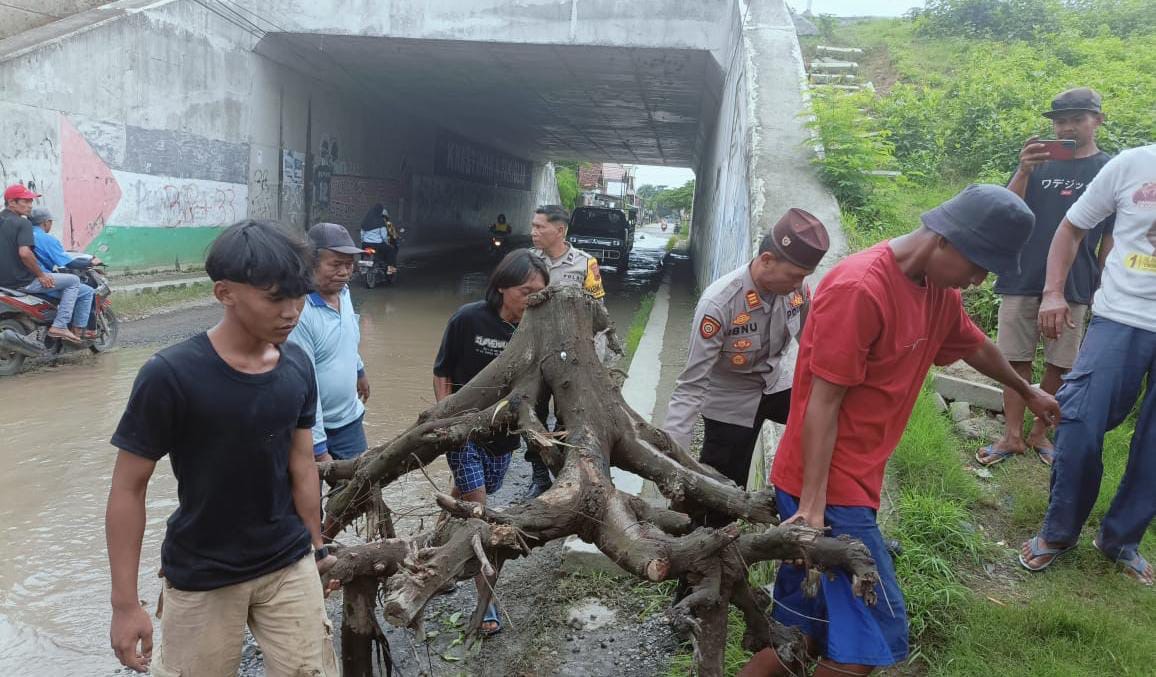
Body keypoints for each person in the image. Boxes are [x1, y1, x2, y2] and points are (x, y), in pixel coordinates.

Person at [742, 185, 1061, 677]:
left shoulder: (936, 289)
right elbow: (822, 404)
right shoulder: (860, 290)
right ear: (946, 241)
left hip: (852, 481)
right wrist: (811, 507)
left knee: (804, 634)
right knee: (869, 644)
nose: (977, 281)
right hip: (828, 487)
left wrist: (1029, 389)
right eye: (978, 267)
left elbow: (973, 344)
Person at [105, 220, 338, 675]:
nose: (293, 312)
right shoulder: (169, 375)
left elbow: (301, 464)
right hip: (202, 577)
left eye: (298, 296)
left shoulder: (296, 365)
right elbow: (127, 489)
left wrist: (317, 546)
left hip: (288, 563)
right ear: (224, 293)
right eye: (276, 298)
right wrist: (124, 604)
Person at [1020, 143, 1156, 586]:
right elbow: (1072, 227)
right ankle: (1059, 531)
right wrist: (1054, 291)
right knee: (1077, 421)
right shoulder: (1132, 164)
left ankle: (1120, 540)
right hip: (1121, 316)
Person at [978, 88, 1114, 467]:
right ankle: (1011, 436)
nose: (1067, 127)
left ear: (1098, 120)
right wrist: (1022, 170)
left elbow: (1111, 235)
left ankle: (1040, 434)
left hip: (1077, 281)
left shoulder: (1109, 168)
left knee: (1061, 363)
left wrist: (1103, 284)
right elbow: (1007, 209)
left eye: (1077, 118)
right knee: (1012, 357)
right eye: (1060, 120)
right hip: (1023, 274)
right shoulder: (1039, 162)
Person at [665, 208, 830, 492]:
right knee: (722, 491)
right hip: (729, 400)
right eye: (794, 276)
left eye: (804, 277)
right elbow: (690, 387)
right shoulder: (719, 305)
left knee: (826, 424)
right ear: (767, 260)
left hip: (775, 384)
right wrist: (670, 461)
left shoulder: (796, 290)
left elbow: (813, 346)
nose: (798, 285)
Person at [432, 248, 548, 634]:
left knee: (469, 494)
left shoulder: (535, 330)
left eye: (540, 292)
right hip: (464, 433)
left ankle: (436, 553)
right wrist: (448, 420)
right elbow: (442, 371)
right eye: (526, 290)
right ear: (501, 288)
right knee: (481, 513)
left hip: (503, 439)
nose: (533, 298)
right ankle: (487, 605)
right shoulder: (468, 319)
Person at [527, 204, 605, 496]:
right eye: (533, 226)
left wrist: (593, 357)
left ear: (560, 230)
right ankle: (538, 475)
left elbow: (597, 311)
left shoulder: (585, 264)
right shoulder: (527, 261)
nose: (533, 232)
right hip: (532, 354)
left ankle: (564, 472)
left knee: (567, 415)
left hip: (569, 357)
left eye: (539, 227)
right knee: (530, 412)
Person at [288, 223, 371, 462]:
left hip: (350, 421)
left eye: (349, 264)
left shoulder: (343, 292)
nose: (345, 272)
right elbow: (305, 383)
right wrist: (319, 448)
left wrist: (359, 370)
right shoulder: (300, 313)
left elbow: (348, 337)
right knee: (311, 495)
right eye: (335, 264)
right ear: (311, 263)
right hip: (312, 428)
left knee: (359, 493)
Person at [0, 184, 85, 344]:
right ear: (12, 202)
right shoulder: (23, 223)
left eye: (31, 201)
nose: (30, 205)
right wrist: (41, 275)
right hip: (23, 282)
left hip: (3, 285)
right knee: (73, 281)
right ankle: (60, 325)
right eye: (26, 201)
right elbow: (25, 253)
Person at [29, 207, 98, 340]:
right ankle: (76, 332)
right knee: (86, 290)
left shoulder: (24, 235)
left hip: (19, 279)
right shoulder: (47, 239)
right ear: (46, 222)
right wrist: (91, 262)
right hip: (40, 280)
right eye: (50, 222)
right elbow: (68, 263)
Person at [360, 203, 399, 273]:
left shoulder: (365, 221)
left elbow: (362, 234)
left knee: (364, 254)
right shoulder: (381, 221)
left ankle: (363, 269)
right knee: (391, 250)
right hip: (378, 245)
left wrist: (363, 242)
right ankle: (391, 270)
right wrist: (387, 243)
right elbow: (384, 236)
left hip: (366, 244)